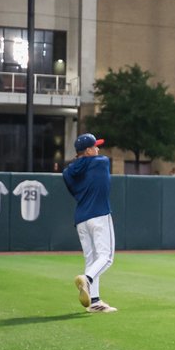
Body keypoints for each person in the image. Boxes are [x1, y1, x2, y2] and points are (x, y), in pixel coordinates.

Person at [62, 133, 117, 313]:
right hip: (99, 214)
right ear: (87, 150)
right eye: (95, 146)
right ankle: (87, 279)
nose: (98, 149)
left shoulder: (68, 172)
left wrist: (80, 159)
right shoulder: (101, 163)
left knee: (92, 258)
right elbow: (99, 160)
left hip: (81, 219)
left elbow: (74, 168)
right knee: (106, 257)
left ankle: (94, 301)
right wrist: (87, 278)